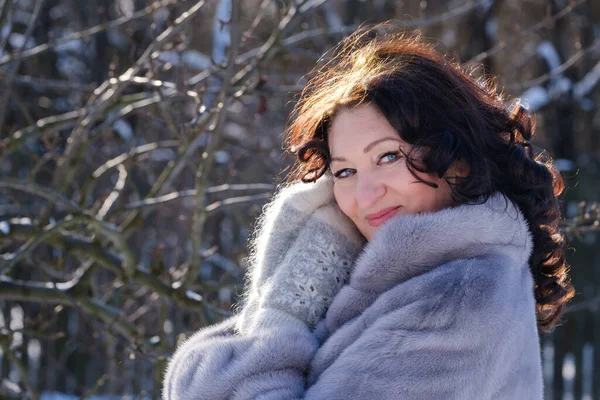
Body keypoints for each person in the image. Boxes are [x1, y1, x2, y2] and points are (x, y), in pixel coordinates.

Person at [162, 24, 575, 399]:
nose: (365, 192)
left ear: (459, 158)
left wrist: (279, 316)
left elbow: (218, 376)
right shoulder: (406, 284)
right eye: (345, 170)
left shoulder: (457, 300)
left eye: (389, 156)